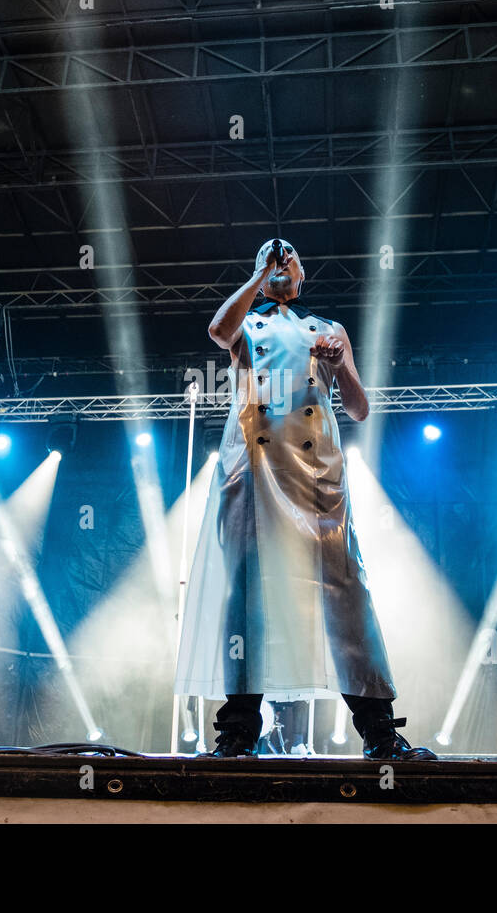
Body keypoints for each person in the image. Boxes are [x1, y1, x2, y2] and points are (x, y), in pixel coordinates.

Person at [175, 237, 435, 760]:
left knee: (344, 589)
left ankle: (380, 731)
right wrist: (258, 277)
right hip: (253, 465)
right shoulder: (246, 323)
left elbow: (359, 409)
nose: (280, 259)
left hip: (316, 472)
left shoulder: (328, 328)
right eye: (270, 256)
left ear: (302, 274)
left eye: (289, 255)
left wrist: (341, 366)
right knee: (247, 592)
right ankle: (238, 733)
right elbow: (218, 330)